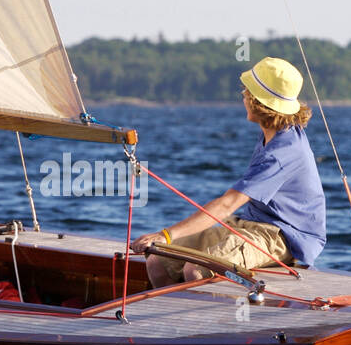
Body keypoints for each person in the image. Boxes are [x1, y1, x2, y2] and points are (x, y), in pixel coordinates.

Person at [130, 56, 327, 287]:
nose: (243, 95)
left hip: (282, 237)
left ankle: (201, 320)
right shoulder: (275, 130)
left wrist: (166, 235)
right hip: (248, 224)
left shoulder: (283, 151)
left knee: (197, 269)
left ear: (259, 103)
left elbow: (227, 204)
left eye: (247, 91)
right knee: (158, 260)